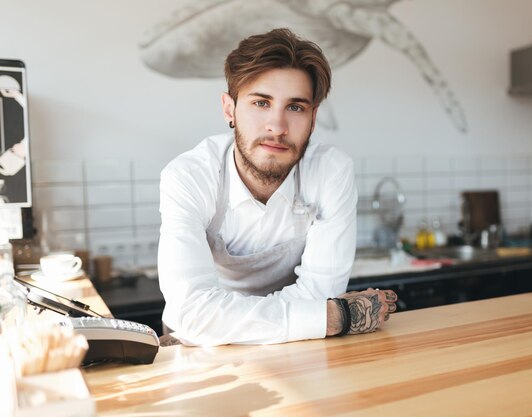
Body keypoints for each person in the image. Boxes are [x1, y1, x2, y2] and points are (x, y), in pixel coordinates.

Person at [158, 28, 397, 346]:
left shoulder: (331, 171)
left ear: (313, 119)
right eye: (261, 103)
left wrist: (221, 319)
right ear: (230, 109)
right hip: (203, 349)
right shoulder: (188, 176)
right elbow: (191, 312)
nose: (277, 126)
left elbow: (320, 291)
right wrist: (329, 317)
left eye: (295, 107)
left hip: (292, 343)